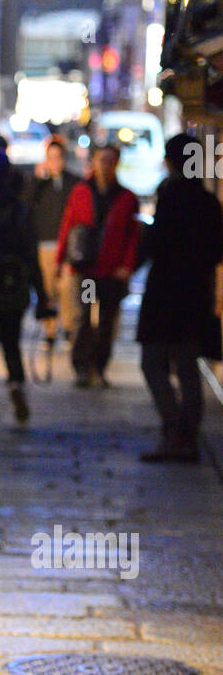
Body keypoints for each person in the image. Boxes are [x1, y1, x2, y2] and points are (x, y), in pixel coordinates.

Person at [138, 132, 223, 462]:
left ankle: (175, 430)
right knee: (188, 366)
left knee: (153, 361)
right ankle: (186, 436)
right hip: (195, 295)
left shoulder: (171, 195)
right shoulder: (207, 201)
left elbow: (155, 243)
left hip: (165, 294)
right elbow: (217, 250)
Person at [56, 143, 139, 387]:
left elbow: (132, 236)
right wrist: (60, 261)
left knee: (106, 323)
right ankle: (82, 366)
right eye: (102, 160)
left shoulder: (126, 197)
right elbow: (68, 225)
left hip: (111, 271)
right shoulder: (81, 191)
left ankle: (99, 366)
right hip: (86, 270)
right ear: (93, 161)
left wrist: (127, 265)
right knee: (82, 318)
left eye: (110, 161)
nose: (105, 165)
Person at [0, 147, 49, 423]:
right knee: (11, 343)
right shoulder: (21, 209)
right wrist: (41, 295)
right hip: (14, 286)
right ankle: (16, 385)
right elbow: (31, 254)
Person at [28, 135, 81, 344]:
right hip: (45, 243)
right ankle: (49, 330)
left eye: (58, 157)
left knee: (68, 289)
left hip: (67, 245)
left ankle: (68, 328)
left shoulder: (74, 182)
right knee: (47, 288)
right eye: (51, 157)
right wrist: (38, 179)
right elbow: (27, 203)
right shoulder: (40, 183)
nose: (54, 162)